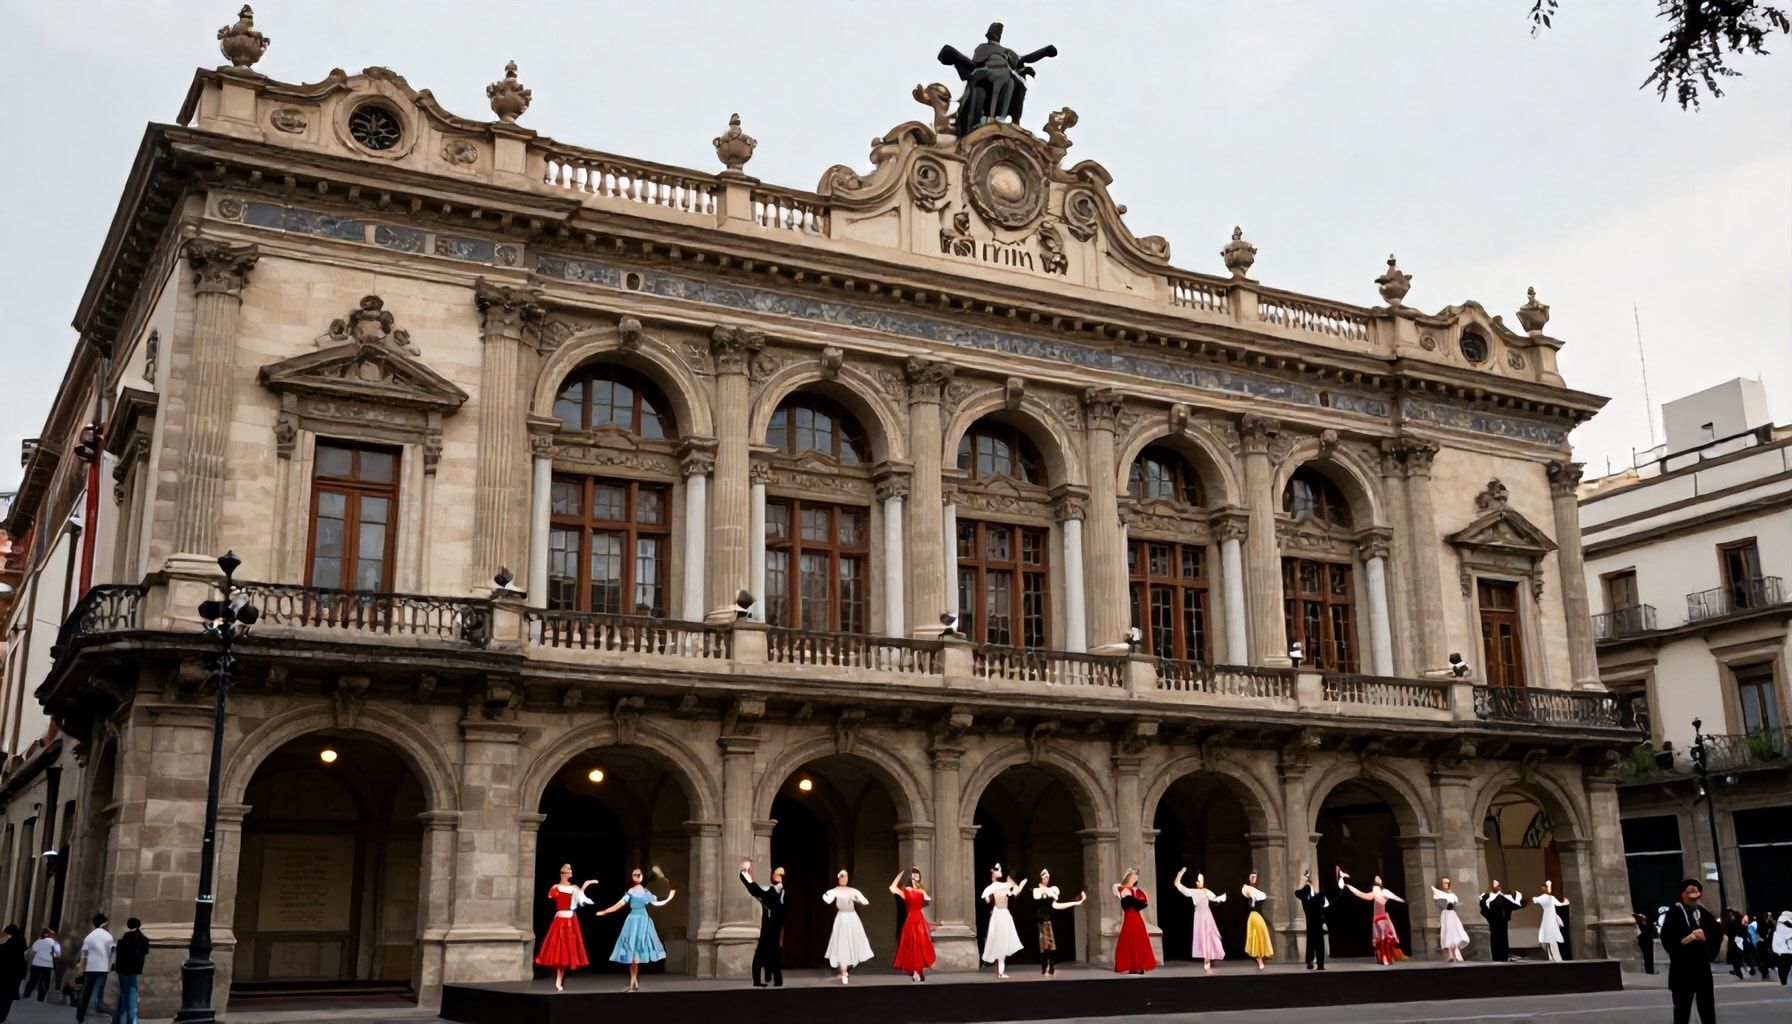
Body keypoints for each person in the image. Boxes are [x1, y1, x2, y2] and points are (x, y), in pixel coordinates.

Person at [594, 868, 674, 993]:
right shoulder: (631, 892)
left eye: (638, 874)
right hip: (632, 922)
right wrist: (605, 911)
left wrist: (668, 898)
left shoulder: (646, 892)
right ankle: (633, 980)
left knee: (638, 951)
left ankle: (634, 980)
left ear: (642, 877)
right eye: (634, 875)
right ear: (632, 877)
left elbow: (656, 903)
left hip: (643, 922)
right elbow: (619, 904)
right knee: (632, 953)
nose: (636, 876)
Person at [1660, 879, 1722, 1024]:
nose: (1693, 897)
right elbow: (1667, 939)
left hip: (1702, 969)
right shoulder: (1674, 913)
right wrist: (1691, 937)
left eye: (1696, 893)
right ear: (1683, 895)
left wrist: (1706, 939)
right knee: (1682, 1009)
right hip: (1682, 969)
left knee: (1707, 1008)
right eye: (1689, 893)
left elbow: (1716, 934)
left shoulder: (1705, 914)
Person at [533, 864, 599, 991]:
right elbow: (551, 896)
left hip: (570, 920)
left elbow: (580, 897)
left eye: (571, 872)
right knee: (559, 947)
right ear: (562, 873)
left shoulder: (573, 888)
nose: (570, 874)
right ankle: (558, 979)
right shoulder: (555, 888)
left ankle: (560, 979)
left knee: (568, 948)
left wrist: (586, 884)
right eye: (568, 872)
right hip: (559, 920)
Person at [739, 860, 787, 988]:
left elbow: (754, 887)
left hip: (774, 928)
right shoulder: (768, 891)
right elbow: (753, 887)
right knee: (763, 953)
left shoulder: (781, 892)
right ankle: (762, 980)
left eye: (781, 875)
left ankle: (775, 980)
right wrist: (746, 872)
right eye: (777, 874)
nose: (779, 877)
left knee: (772, 954)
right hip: (768, 928)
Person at [820, 870, 873, 985]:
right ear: (838, 878)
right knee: (842, 943)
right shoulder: (835, 890)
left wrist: (856, 899)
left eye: (845, 877)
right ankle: (843, 972)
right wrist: (827, 895)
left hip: (852, 918)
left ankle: (848, 967)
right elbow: (827, 899)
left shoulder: (852, 891)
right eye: (842, 877)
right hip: (842, 918)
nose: (844, 879)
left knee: (853, 941)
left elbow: (865, 901)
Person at [1343, 872, 1407, 966]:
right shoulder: (1374, 893)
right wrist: (1349, 887)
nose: (1377, 879)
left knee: (1384, 938)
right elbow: (1361, 894)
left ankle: (1386, 957)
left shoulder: (1384, 892)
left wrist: (1402, 900)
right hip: (1376, 919)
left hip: (1382, 918)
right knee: (1379, 939)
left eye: (1378, 879)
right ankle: (1382, 957)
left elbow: (1394, 896)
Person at [1030, 869, 1083, 976]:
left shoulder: (1052, 890)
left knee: (1049, 944)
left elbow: (1056, 905)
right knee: (1043, 945)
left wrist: (1075, 903)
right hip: (1040, 921)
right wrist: (1046, 891)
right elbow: (1037, 896)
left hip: (1048, 921)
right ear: (1041, 877)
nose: (1047, 879)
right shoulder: (1037, 890)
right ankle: (1045, 966)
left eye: (1048, 877)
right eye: (1045, 877)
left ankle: (1051, 965)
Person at [1173, 868, 1227, 972]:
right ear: (1196, 883)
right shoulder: (1194, 892)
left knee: (1211, 935)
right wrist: (1180, 873)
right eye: (1198, 880)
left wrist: (1220, 898)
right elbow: (1177, 885)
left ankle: (1209, 957)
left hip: (1207, 916)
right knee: (1203, 936)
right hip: (1199, 916)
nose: (1200, 882)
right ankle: (1206, 959)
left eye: (1201, 879)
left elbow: (1215, 898)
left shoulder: (1206, 891)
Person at [979, 864, 1025, 978]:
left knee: (1003, 944)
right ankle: (1000, 971)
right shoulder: (995, 886)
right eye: (996, 869)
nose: (998, 870)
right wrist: (988, 897)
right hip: (998, 914)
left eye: (999, 869)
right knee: (998, 941)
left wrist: (1020, 885)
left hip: (1004, 915)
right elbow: (987, 896)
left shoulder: (1004, 886)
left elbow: (1014, 892)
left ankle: (1001, 972)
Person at [889, 867, 934, 981]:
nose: (915, 876)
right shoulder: (906, 891)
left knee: (920, 944)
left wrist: (923, 894)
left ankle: (919, 971)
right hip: (911, 919)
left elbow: (928, 899)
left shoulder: (921, 890)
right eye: (913, 874)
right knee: (912, 945)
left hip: (919, 919)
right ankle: (915, 972)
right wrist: (900, 875)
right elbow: (892, 888)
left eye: (917, 874)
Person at [1112, 868, 1157, 974]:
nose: (1134, 881)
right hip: (1129, 917)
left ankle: (1139, 966)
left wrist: (1136, 899)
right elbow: (1118, 891)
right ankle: (1129, 965)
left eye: (1135, 879)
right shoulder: (1121, 889)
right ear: (1128, 878)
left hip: (1136, 916)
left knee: (1139, 939)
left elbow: (1142, 902)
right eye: (1132, 878)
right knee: (1128, 939)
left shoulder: (1135, 891)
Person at [73, 913, 114, 1024]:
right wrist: (111, 964)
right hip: (103, 968)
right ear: (104, 923)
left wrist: (82, 965)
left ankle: (80, 1016)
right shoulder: (108, 936)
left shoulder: (89, 936)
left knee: (86, 991)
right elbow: (112, 952)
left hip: (89, 968)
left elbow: (85, 953)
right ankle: (93, 1011)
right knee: (97, 991)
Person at [113, 918, 149, 1024]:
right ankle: (131, 1019)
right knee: (131, 994)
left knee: (124, 994)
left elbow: (119, 956)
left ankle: (121, 1018)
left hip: (123, 970)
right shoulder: (142, 939)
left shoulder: (124, 939)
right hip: (133, 970)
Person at [1479, 880, 1524, 962]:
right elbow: (1483, 908)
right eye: (1493, 885)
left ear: (1499, 887)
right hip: (1493, 921)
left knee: (1502, 939)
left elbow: (1513, 905)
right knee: (1494, 939)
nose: (1495, 887)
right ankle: (1496, 957)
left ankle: (1503, 956)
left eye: (1496, 885)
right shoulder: (1488, 897)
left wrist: (1517, 897)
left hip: (1502, 921)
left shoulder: (1503, 897)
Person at [1295, 869, 1330, 970]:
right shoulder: (1306, 897)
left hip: (1318, 922)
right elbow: (1297, 893)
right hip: (1311, 921)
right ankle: (1311, 961)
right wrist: (1304, 881)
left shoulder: (1319, 896)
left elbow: (1326, 905)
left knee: (1318, 943)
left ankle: (1320, 963)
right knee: (1312, 943)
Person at [1240, 872, 1273, 970]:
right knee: (1255, 936)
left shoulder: (1259, 892)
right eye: (1252, 877)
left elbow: (1262, 898)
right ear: (1249, 879)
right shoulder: (1247, 890)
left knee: (1261, 935)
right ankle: (1259, 959)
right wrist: (1251, 896)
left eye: (1255, 878)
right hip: (1253, 916)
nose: (1254, 879)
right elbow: (1250, 899)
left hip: (1259, 916)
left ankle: (1261, 957)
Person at [1432, 877, 1469, 962]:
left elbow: (1455, 905)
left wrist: (1452, 906)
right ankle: (1450, 953)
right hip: (1445, 915)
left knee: (1456, 930)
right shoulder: (1438, 895)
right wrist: (1446, 904)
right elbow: (1440, 904)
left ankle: (1456, 950)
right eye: (1444, 883)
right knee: (1447, 932)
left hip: (1452, 915)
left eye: (1447, 883)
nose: (1446, 884)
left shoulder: (1452, 895)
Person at [1533, 880, 1570, 962]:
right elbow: (1537, 899)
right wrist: (1549, 885)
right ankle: (1554, 958)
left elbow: (1558, 904)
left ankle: (1555, 958)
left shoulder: (1551, 897)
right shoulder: (1543, 897)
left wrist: (1565, 902)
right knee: (1549, 938)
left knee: (1551, 939)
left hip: (1552, 918)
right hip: (1548, 919)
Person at [22, 928, 57, 1003]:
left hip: (37, 963)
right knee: (44, 982)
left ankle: (27, 994)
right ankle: (41, 997)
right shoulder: (54, 943)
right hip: (48, 965)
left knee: (33, 980)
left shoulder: (39, 941)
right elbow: (56, 954)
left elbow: (34, 949)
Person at [0, 925, 24, 1023]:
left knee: (2, 996)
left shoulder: (8, 945)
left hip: (5, 975)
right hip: (14, 977)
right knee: (7, 999)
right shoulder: (20, 943)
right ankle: (2, 1017)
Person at [1771, 909, 1791, 985]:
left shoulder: (1778, 926)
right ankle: (1784, 980)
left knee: (1783, 966)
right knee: (1785, 966)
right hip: (1785, 950)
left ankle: (1783, 980)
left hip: (1782, 950)